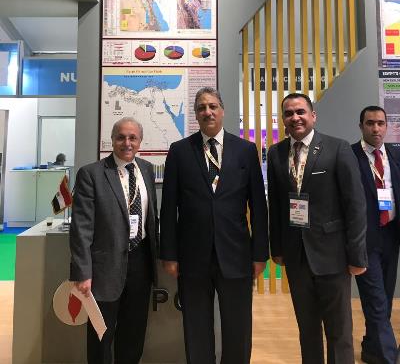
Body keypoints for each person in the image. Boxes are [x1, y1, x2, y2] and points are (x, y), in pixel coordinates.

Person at [160, 87, 269, 364]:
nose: (207, 112)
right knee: (196, 326)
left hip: (236, 255)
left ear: (222, 110)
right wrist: (169, 254)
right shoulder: (179, 151)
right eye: (201, 108)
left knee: (238, 326)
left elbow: (258, 205)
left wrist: (259, 254)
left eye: (212, 106)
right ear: (196, 115)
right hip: (192, 256)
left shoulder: (245, 150)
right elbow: (168, 206)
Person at [267, 92, 368, 364]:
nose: (295, 117)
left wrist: (357, 255)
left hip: (332, 255)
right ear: (283, 120)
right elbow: (275, 205)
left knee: (339, 332)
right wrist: (277, 249)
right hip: (297, 256)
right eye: (289, 113)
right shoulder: (276, 153)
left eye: (300, 111)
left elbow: (355, 205)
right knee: (307, 330)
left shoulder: (337, 148)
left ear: (313, 115)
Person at [69, 117, 159, 364]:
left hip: (141, 264)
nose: (127, 143)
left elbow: (151, 219)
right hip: (103, 269)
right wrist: (83, 272)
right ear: (112, 140)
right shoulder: (92, 174)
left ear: (140, 141)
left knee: (134, 333)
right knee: (101, 336)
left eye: (132, 138)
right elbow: (81, 229)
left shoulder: (147, 169)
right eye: (121, 137)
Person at [352, 106, 400, 364]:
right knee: (376, 300)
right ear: (361, 126)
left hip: (391, 235)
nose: (376, 128)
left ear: (386, 126)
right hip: (365, 239)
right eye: (370, 123)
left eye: (380, 123)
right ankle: (388, 357)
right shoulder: (349, 155)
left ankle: (372, 349)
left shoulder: (395, 154)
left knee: (385, 298)